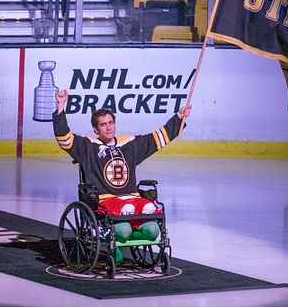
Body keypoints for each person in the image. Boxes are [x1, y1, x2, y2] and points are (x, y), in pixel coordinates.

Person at [52, 89, 191, 248]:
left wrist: (179, 117)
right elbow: (64, 139)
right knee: (123, 232)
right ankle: (115, 246)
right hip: (106, 203)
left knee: (153, 231)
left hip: (133, 200)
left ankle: (132, 232)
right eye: (103, 124)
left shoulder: (129, 144)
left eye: (111, 123)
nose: (108, 128)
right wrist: (61, 105)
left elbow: (156, 139)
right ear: (96, 129)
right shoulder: (87, 147)